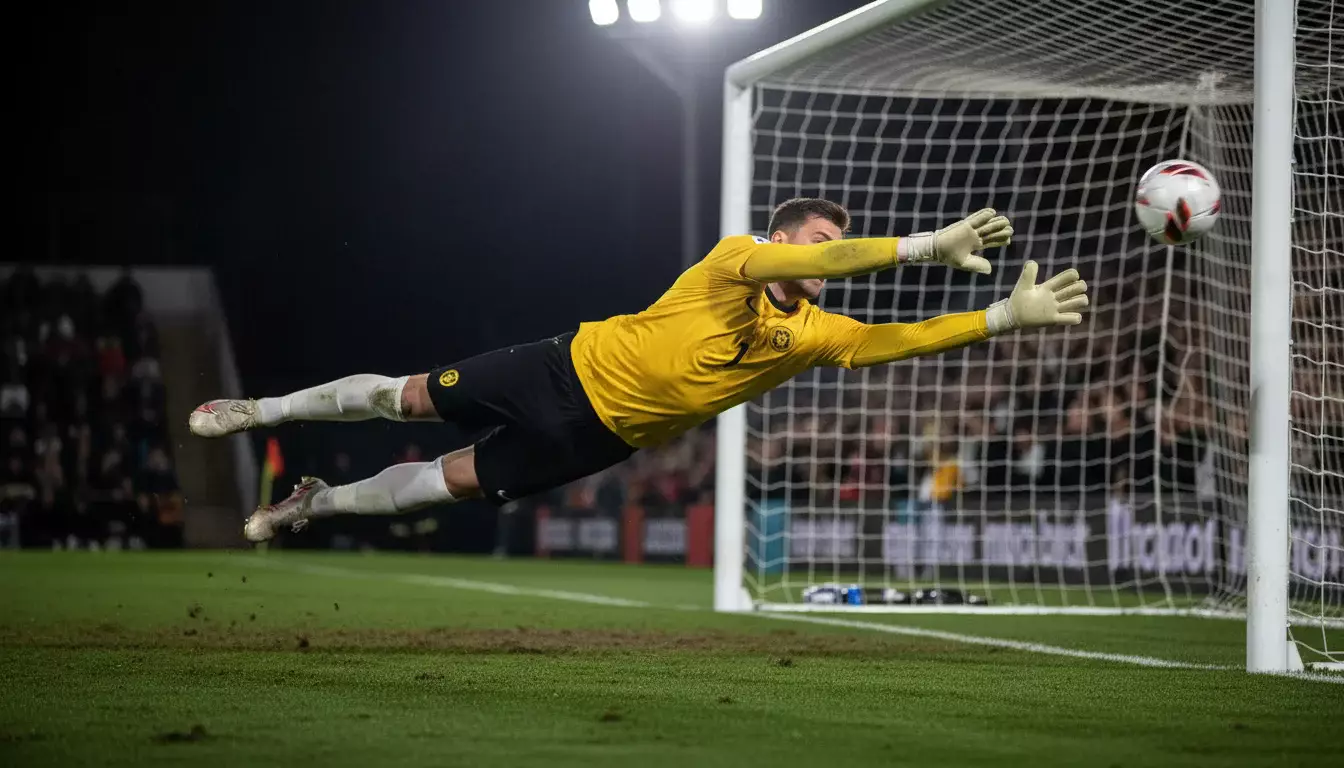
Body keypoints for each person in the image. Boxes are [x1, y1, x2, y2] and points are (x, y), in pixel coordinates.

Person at [189, 199, 1088, 542]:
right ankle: (260, 409)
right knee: (406, 398)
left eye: (830, 246)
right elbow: (825, 260)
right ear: (783, 239)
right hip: (562, 369)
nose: (823, 256)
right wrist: (922, 244)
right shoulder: (738, 258)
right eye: (817, 240)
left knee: (440, 485)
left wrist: (999, 318)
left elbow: (894, 341)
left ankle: (313, 504)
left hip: (599, 438)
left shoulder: (816, 332)